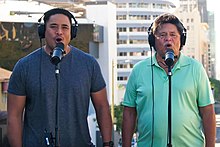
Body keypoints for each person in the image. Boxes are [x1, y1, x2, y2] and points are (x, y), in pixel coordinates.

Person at [7, 8, 113, 147]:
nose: (59, 32)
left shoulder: (89, 64)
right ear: (43, 31)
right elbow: (14, 116)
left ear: (72, 32)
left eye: (65, 27)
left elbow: (102, 107)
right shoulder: (24, 66)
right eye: (53, 27)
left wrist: (107, 144)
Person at [122, 13, 216, 147]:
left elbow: (208, 111)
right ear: (152, 40)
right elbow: (129, 113)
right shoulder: (138, 71)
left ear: (181, 39)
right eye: (162, 35)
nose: (168, 40)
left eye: (173, 35)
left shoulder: (196, 69)